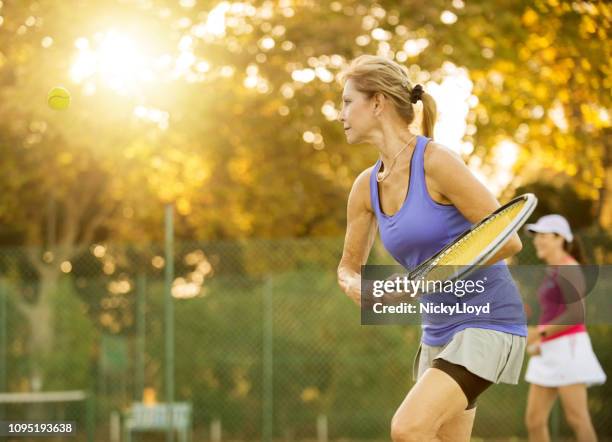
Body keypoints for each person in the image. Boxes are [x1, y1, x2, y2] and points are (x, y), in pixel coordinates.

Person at [336, 54, 528, 442]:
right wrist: (354, 284)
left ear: (377, 103)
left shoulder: (437, 162)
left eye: (346, 101)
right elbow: (347, 266)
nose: (339, 112)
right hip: (437, 333)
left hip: (487, 321)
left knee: (408, 428)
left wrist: (429, 277)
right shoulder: (365, 188)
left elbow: (508, 239)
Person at [524, 214, 606, 442]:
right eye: (536, 236)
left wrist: (538, 333)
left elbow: (576, 314)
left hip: (569, 348)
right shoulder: (554, 270)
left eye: (543, 236)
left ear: (560, 238)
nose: (537, 241)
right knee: (535, 421)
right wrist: (542, 339)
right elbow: (555, 313)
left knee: (577, 419)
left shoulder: (569, 268)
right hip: (548, 348)